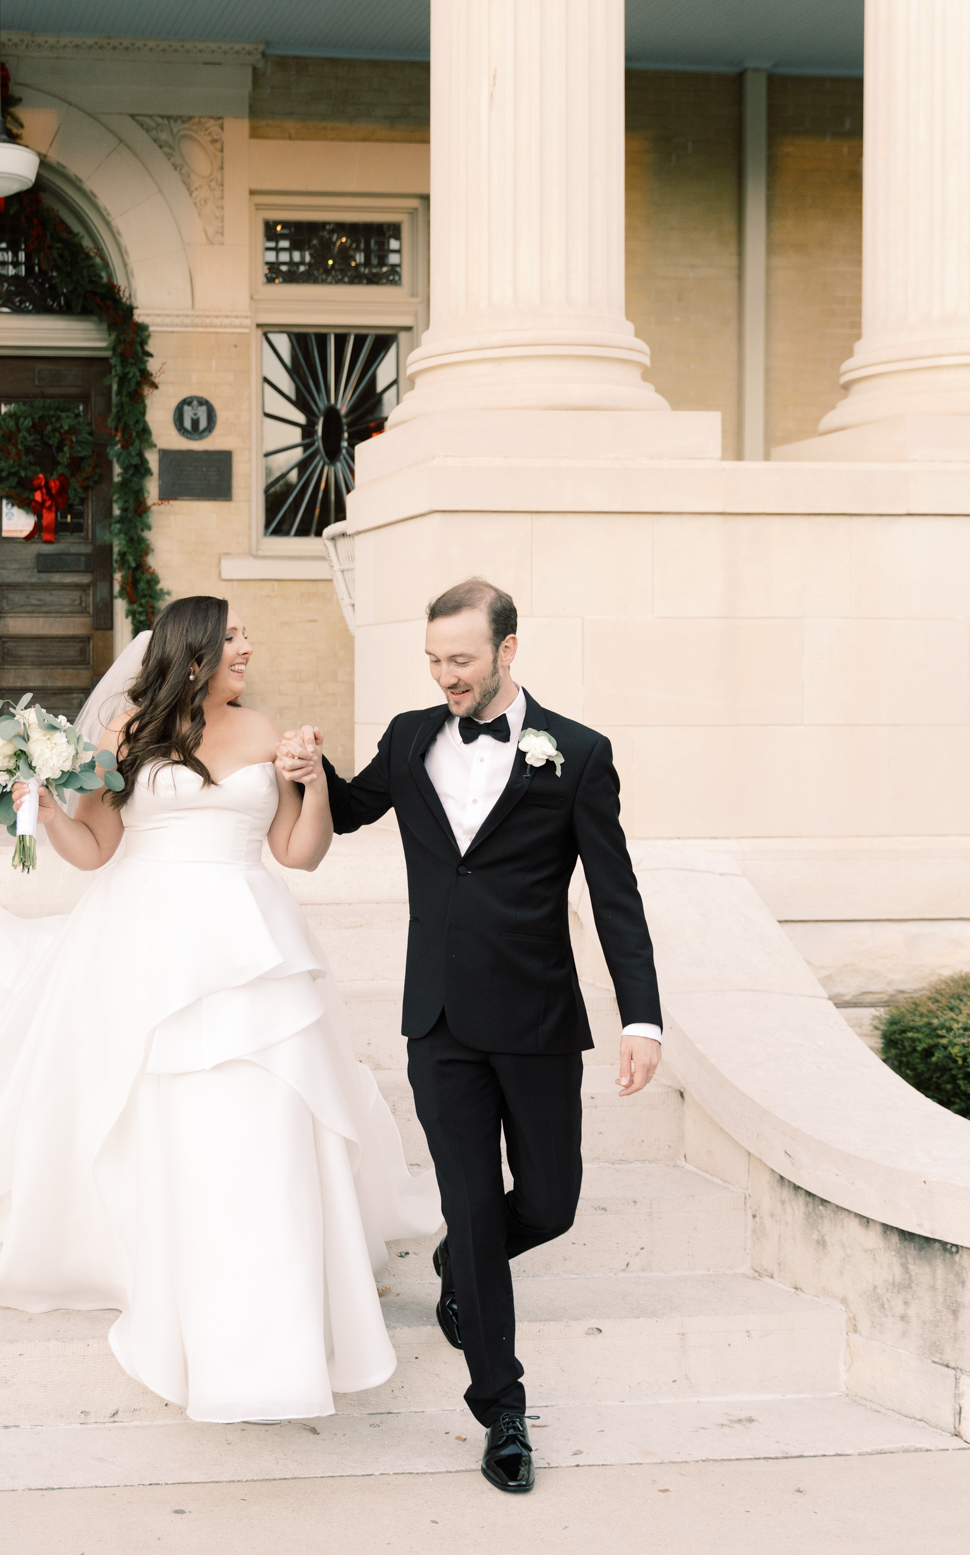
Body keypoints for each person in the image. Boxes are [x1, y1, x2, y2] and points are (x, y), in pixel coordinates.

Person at [0, 595, 440, 1423]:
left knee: (264, 1119)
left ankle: (269, 1316)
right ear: (194, 651)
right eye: (235, 637)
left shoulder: (265, 733)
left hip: (253, 948)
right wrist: (31, 802)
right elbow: (95, 849)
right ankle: (171, 1280)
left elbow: (300, 852)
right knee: (163, 1119)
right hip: (146, 944)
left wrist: (311, 782)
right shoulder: (123, 735)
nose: (248, 647)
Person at [279, 578, 662, 1493]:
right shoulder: (413, 736)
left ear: (507, 650)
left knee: (551, 1201)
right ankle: (503, 1408)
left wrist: (640, 1014)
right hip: (439, 1021)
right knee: (475, 1203)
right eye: (435, 660)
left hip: (535, 1019)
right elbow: (357, 805)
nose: (446, 676)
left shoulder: (577, 753)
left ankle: (460, 1262)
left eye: (461, 660)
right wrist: (304, 770)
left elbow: (615, 897)